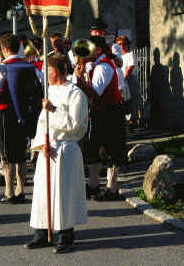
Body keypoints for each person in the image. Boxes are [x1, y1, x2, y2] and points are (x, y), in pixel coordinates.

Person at [25, 54, 88, 253]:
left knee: (64, 193)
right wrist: (40, 144)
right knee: (42, 191)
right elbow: (42, 122)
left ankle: (65, 235)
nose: (45, 74)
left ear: (58, 72)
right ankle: (42, 232)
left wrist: (53, 110)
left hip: (65, 149)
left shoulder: (76, 94)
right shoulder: (49, 91)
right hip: (48, 149)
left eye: (48, 71)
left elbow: (77, 126)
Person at [0, 33, 43, 204]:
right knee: (21, 153)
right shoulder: (30, 66)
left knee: (6, 155)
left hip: (6, 113)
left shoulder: (2, 67)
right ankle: (21, 190)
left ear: (4, 49)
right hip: (24, 114)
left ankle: (9, 191)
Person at [75, 35, 126, 201]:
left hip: (110, 112)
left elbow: (96, 92)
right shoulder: (97, 65)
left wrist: (80, 81)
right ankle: (93, 185)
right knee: (92, 148)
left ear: (97, 50)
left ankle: (111, 189)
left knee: (111, 150)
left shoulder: (103, 67)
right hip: (102, 111)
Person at [116, 35, 140, 126]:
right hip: (121, 81)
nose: (122, 46)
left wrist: (122, 79)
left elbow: (129, 69)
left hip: (129, 80)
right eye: (119, 44)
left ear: (127, 45)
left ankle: (133, 123)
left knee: (132, 102)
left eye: (124, 44)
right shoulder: (117, 56)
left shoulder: (130, 54)